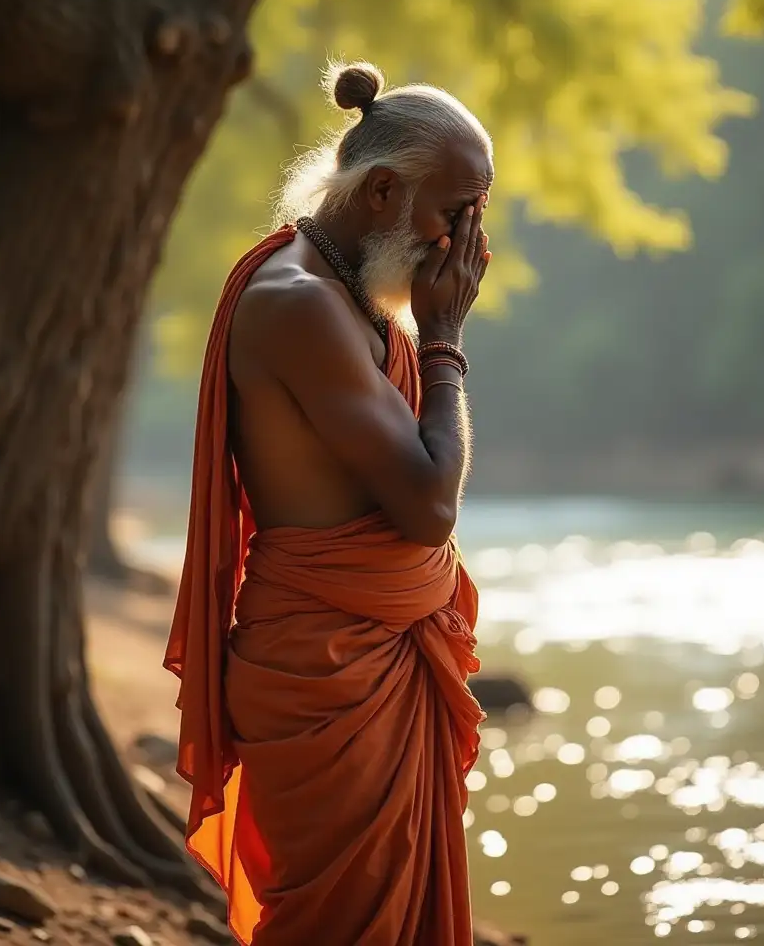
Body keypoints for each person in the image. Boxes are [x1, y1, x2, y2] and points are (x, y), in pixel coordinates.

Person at [164, 60, 495, 945]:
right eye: (456, 213)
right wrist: (448, 344)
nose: (468, 246)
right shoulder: (299, 302)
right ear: (382, 189)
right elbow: (429, 506)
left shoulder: (357, 292)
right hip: (326, 671)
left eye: (480, 214)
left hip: (378, 656)